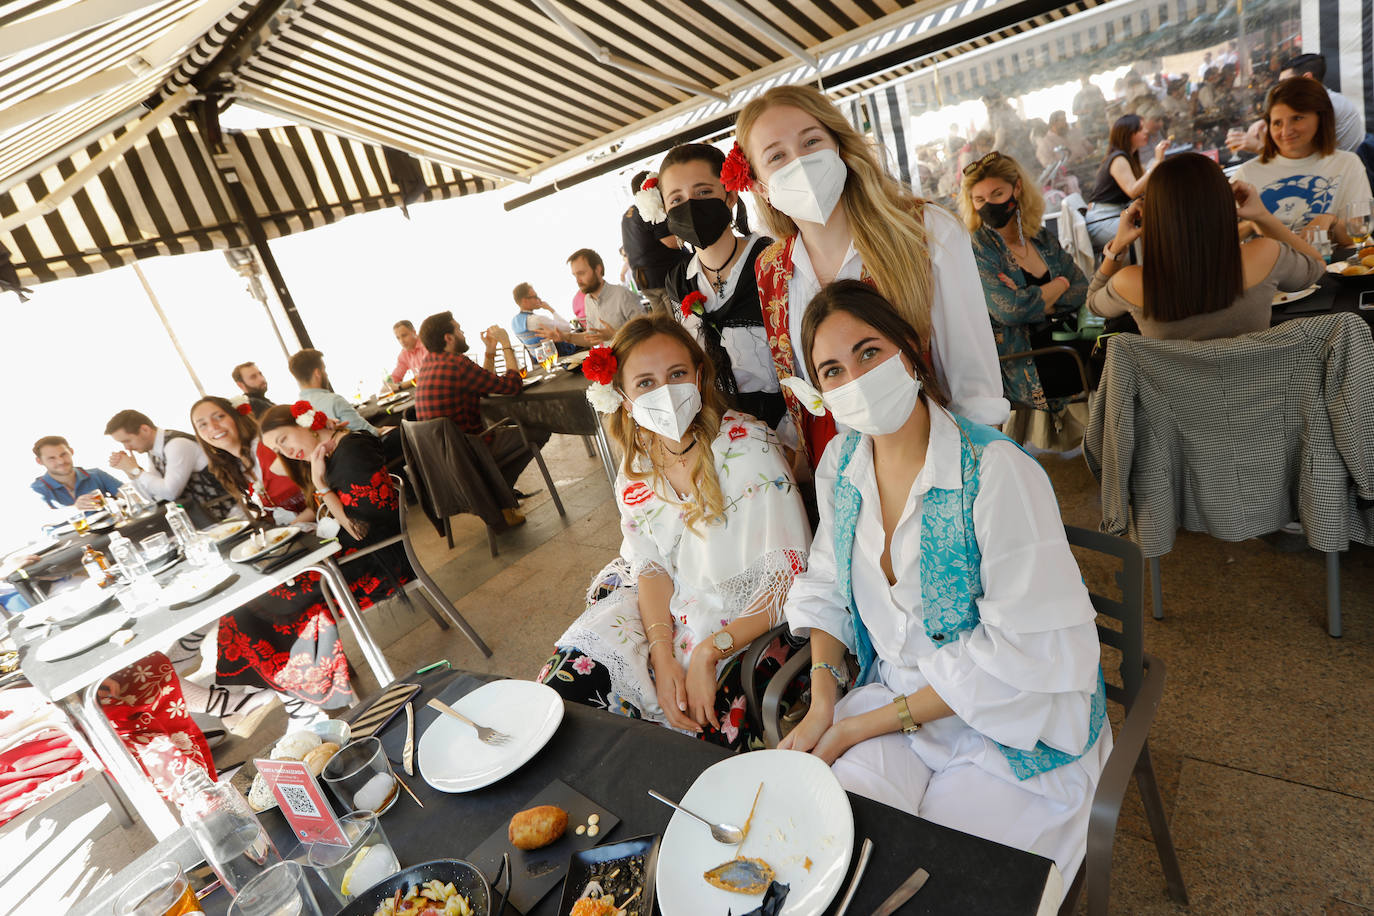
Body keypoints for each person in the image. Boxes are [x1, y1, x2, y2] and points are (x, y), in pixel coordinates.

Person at [777, 279, 1108, 884]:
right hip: (895, 704)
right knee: (820, 858)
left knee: (953, 883)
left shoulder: (997, 472)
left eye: (869, 352)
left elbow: (1023, 657)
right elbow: (825, 587)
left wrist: (855, 725)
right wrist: (824, 700)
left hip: (1014, 725)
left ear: (910, 349)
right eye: (831, 369)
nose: (854, 378)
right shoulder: (841, 467)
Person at [538, 316, 810, 749]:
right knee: (564, 686)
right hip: (671, 610)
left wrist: (710, 650)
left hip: (746, 620)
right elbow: (652, 568)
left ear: (699, 378)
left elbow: (786, 577)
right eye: (645, 382)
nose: (664, 391)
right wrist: (661, 654)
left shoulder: (748, 449)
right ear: (624, 399)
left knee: (701, 730)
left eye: (676, 374)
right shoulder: (636, 469)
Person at [733, 83, 1008, 470]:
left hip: (938, 459)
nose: (799, 163)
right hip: (841, 475)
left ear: (840, 147)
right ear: (761, 187)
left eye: (811, 142)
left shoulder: (926, 232)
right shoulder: (770, 268)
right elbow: (801, 388)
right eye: (777, 156)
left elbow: (975, 385)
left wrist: (972, 475)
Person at [216, 402, 413, 718]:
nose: (286, 452)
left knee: (253, 607)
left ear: (305, 422)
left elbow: (359, 530)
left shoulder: (352, 451)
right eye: (276, 448)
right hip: (352, 559)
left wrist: (321, 484)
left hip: (376, 564)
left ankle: (307, 698)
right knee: (249, 603)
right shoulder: (336, 449)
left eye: (283, 440)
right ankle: (302, 696)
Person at [1089, 153, 1325, 339]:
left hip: (1176, 401)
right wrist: (1262, 215)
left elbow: (1093, 305)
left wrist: (1118, 244)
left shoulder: (1130, 282)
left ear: (1153, 215)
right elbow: (1317, 267)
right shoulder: (1265, 254)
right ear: (1222, 202)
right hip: (1265, 397)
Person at [655, 142, 788, 435]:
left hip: (789, 428)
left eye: (703, 192)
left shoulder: (772, 261)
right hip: (723, 433)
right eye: (676, 199)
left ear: (729, 195)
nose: (690, 206)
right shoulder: (678, 280)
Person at [959, 152, 1090, 411]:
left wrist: (1032, 301)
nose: (989, 206)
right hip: (1026, 359)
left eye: (997, 194)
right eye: (980, 199)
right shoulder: (978, 249)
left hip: (1065, 341)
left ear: (1017, 188)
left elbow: (1084, 289)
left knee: (1115, 346)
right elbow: (1009, 310)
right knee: (1106, 362)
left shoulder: (1040, 237)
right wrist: (1060, 284)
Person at [414, 311, 549, 523]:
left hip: (443, 460)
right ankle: (501, 501)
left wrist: (489, 351)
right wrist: (506, 343)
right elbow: (513, 386)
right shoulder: (456, 364)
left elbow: (482, 387)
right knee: (538, 429)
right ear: (448, 338)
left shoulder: (428, 364)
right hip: (470, 453)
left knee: (507, 432)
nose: (463, 333)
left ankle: (500, 498)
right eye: (458, 329)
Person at [1234, 77, 1373, 245]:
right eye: (1277, 123)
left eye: (1297, 118)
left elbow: (1361, 235)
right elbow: (1217, 237)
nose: (1286, 131)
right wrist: (1252, 223)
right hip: (1271, 269)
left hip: (1332, 267)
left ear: (1320, 117)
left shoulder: (1348, 164)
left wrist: (1332, 221)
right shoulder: (1246, 173)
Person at [190, 396, 310, 525]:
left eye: (219, 417)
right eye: (203, 424)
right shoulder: (235, 465)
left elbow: (320, 490)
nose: (213, 427)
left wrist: (290, 528)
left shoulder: (270, 447)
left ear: (236, 416)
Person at [105, 409, 235, 526]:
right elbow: (154, 497)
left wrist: (136, 471)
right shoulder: (153, 451)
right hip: (204, 519)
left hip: (228, 515)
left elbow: (170, 493)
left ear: (145, 429)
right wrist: (130, 471)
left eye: (127, 441)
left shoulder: (177, 444)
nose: (127, 448)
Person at [1084, 114, 1171, 252]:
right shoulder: (1118, 159)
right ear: (1128, 134)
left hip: (1117, 217)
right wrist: (1156, 162)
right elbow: (1133, 190)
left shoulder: (1131, 158)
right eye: (1140, 129)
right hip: (1103, 222)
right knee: (1159, 229)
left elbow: (1147, 186)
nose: (1146, 131)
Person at [621, 171, 688, 316]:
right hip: (664, 278)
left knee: (665, 326)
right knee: (679, 324)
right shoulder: (650, 209)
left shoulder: (628, 214)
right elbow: (672, 242)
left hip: (644, 281)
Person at [288, 348, 383, 436]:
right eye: (324, 369)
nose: (326, 374)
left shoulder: (297, 413)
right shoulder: (334, 401)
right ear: (317, 373)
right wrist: (385, 430)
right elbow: (369, 432)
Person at [30, 436, 124, 510]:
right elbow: (43, 518)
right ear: (39, 461)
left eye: (64, 454)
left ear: (71, 451)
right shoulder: (36, 489)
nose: (61, 461)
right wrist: (75, 508)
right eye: (52, 458)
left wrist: (129, 470)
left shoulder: (96, 475)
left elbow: (130, 496)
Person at [569, 248, 643, 340]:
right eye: (575, 275)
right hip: (605, 353)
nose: (577, 280)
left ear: (598, 270)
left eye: (581, 273)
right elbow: (591, 337)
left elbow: (646, 332)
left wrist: (615, 335)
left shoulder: (622, 294)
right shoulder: (588, 299)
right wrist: (566, 337)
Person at [510, 282, 578, 356]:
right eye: (535, 296)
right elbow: (567, 328)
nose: (539, 299)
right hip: (560, 355)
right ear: (525, 301)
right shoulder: (538, 320)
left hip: (539, 359)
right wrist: (550, 309)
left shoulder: (514, 322)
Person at [389, 320, 429, 388]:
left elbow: (424, 376)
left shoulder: (426, 344)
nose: (401, 341)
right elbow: (395, 377)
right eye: (398, 338)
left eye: (404, 335)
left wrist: (400, 386)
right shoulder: (404, 354)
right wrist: (388, 385)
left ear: (414, 332)